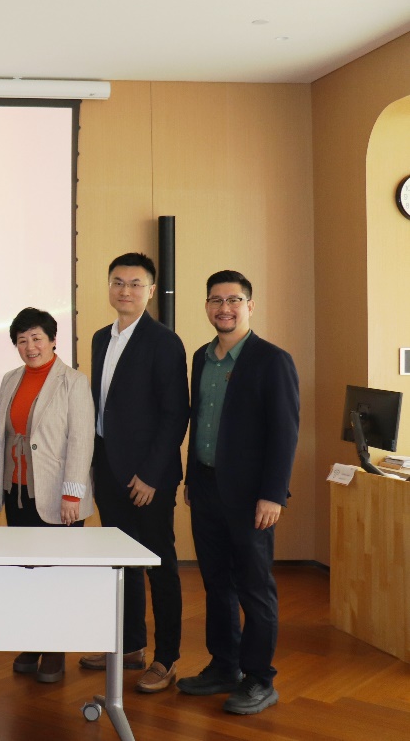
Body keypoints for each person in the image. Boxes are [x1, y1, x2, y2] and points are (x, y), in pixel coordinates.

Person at [177, 271, 299, 715]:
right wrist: (191, 479)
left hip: (252, 497)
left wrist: (273, 494)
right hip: (206, 487)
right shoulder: (201, 357)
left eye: (233, 300)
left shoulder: (273, 360)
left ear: (250, 305)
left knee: (254, 587)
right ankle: (224, 666)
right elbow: (200, 422)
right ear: (207, 306)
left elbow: (284, 432)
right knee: (216, 583)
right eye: (215, 300)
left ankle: (260, 678)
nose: (224, 308)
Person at [78, 254, 189, 693]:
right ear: (108, 286)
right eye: (118, 282)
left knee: (159, 563)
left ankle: (167, 658)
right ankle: (129, 646)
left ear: (150, 290)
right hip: (108, 467)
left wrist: (151, 475)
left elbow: (175, 414)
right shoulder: (99, 338)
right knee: (120, 561)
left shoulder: (164, 342)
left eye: (135, 283)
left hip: (148, 476)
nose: (125, 290)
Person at [0, 307, 94, 684]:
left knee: (55, 574)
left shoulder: (73, 381)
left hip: (58, 495)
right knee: (27, 573)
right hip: (17, 491)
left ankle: (55, 648)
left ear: (52, 341)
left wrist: (72, 494)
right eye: (22, 340)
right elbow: (0, 436)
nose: (30, 346)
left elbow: (81, 440)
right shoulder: (10, 378)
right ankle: (33, 641)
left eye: (36, 338)